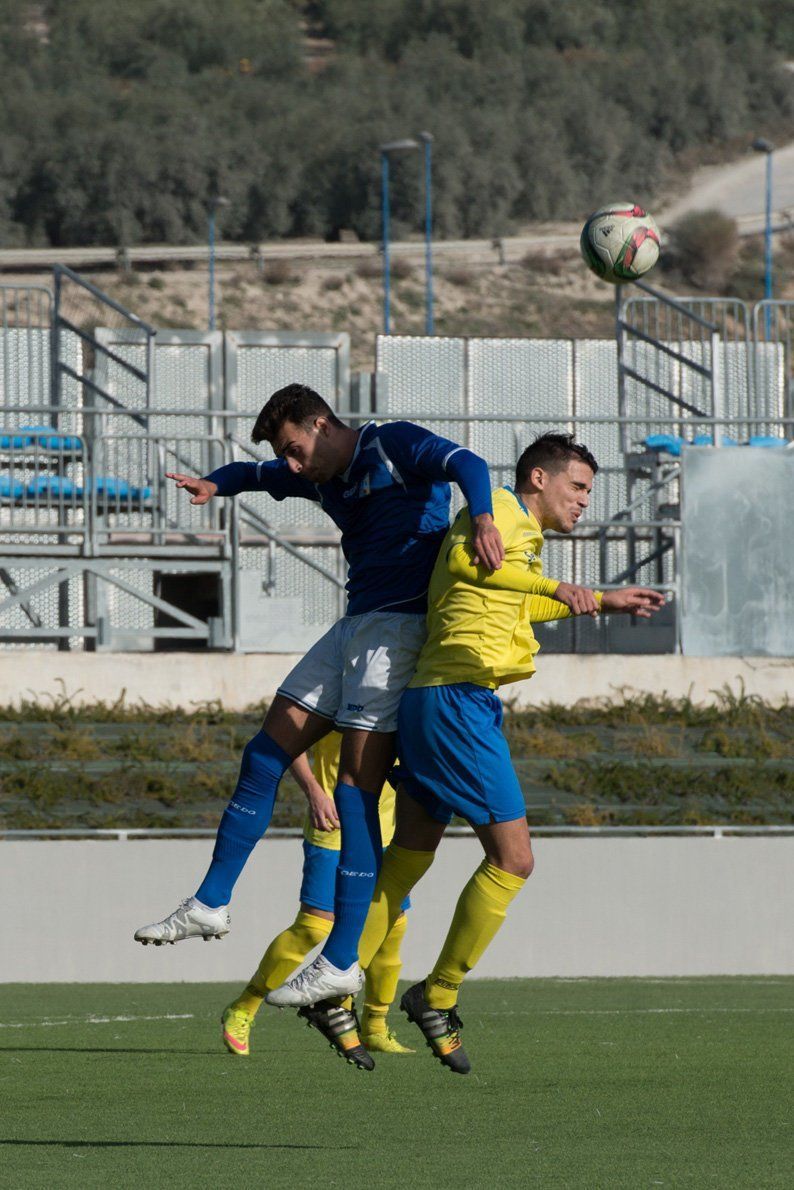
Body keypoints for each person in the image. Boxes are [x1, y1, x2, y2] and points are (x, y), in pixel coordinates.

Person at [134, 382, 529, 1006]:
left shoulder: (391, 443)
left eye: (296, 448)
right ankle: (211, 902)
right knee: (265, 752)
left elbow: (467, 464)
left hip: (399, 630)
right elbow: (255, 473)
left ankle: (342, 960)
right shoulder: (318, 475)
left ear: (321, 423)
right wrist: (215, 484)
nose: (293, 464)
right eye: (288, 455)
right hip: (354, 627)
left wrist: (481, 513)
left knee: (355, 790)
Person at [281, 432, 664, 1071]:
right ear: (538, 479)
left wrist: (595, 600)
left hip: (447, 697)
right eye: (579, 487)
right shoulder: (498, 517)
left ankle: (335, 976)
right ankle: (437, 993)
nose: (584, 503)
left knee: (408, 858)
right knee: (514, 859)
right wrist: (573, 589)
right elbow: (462, 566)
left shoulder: (520, 538)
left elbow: (506, 605)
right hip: (457, 701)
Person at [221, 731, 414, 1071]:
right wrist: (313, 790)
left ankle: (375, 1026)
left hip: (386, 832)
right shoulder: (340, 686)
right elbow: (287, 739)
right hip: (334, 825)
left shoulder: (408, 693)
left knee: (392, 924)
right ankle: (244, 1007)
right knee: (314, 925)